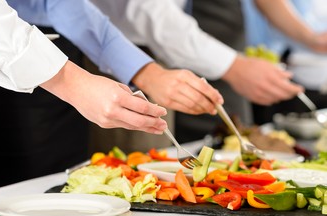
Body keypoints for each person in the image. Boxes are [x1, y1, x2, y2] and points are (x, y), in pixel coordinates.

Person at [0, 0, 223, 195]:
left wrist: (145, 72)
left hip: (59, 59)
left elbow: (62, 4)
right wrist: (72, 83)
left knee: (67, 202)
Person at [90, 0, 304, 143]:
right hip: (121, 49)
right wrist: (233, 66)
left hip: (174, 42)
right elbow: (146, 8)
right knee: (140, 157)